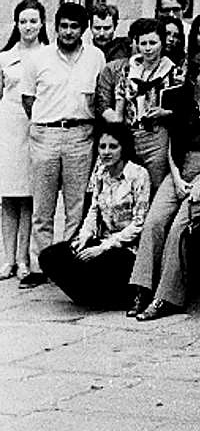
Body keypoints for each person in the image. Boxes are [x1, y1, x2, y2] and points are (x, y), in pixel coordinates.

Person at [128, 53, 200, 320]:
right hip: (180, 166)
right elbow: (172, 144)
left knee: (180, 225)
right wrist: (177, 178)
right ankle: (142, 288)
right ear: (193, 78)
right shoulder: (177, 99)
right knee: (154, 221)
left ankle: (166, 297)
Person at [18, 2, 107, 288]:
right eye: (64, 26)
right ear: (55, 27)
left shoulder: (96, 57)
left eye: (74, 27)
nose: (68, 32)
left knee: (76, 207)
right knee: (43, 207)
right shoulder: (39, 58)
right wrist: (47, 125)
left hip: (81, 135)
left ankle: (67, 266)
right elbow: (28, 99)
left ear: (84, 30)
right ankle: (39, 265)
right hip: (45, 134)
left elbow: (98, 98)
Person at [39, 123, 150, 308]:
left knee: (99, 264)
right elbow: (93, 211)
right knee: (50, 256)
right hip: (101, 242)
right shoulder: (100, 173)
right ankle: (91, 297)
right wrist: (82, 239)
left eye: (113, 147)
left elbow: (139, 223)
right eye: (102, 146)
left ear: (124, 148)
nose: (106, 152)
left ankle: (114, 297)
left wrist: (104, 247)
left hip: (127, 249)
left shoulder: (138, 175)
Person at [0, 0, 47, 283]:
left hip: (36, 125)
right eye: (23, 21)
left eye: (33, 21)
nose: (28, 26)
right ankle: (7, 259)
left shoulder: (47, 55)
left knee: (29, 195)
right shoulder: (5, 57)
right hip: (8, 125)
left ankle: (24, 259)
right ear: (16, 24)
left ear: (42, 24)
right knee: (8, 195)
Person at [116, 18, 180, 193]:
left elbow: (182, 109)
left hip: (158, 137)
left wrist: (164, 112)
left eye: (153, 42)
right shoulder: (128, 71)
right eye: (143, 43)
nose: (148, 48)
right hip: (131, 136)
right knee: (131, 186)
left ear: (162, 43)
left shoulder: (174, 72)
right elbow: (120, 103)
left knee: (155, 185)